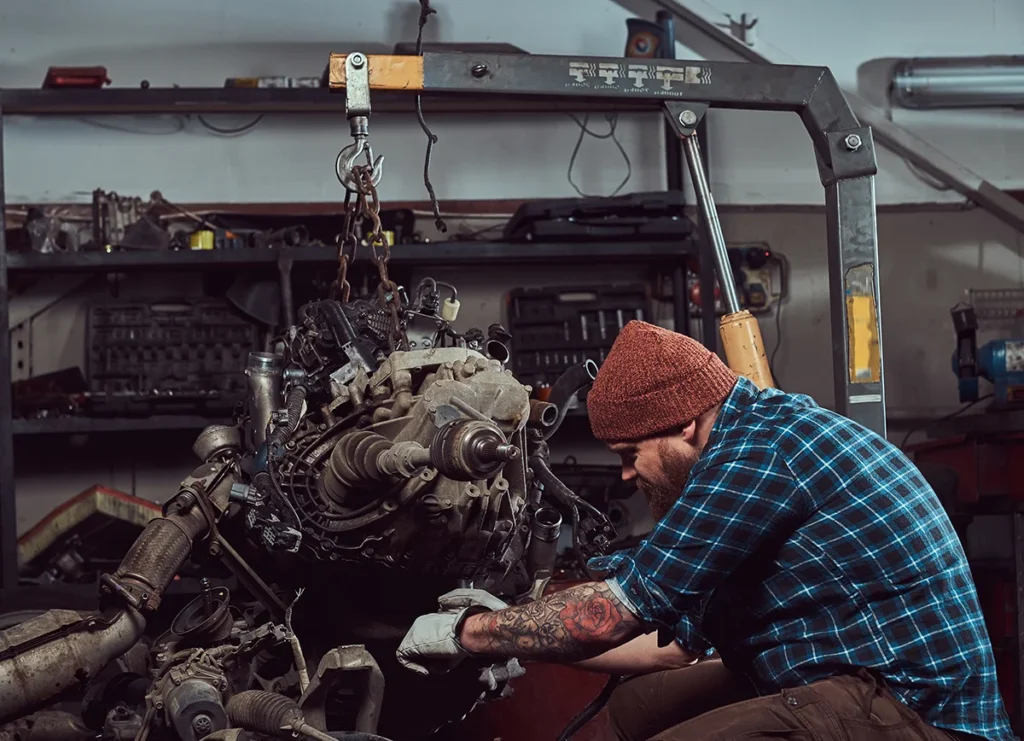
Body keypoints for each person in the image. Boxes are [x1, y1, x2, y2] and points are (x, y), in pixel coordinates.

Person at [397, 320, 1015, 741]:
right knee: (637, 707)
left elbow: (618, 614)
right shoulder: (735, 451)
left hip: (920, 715)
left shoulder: (765, 452)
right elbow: (671, 642)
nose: (626, 471)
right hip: (839, 678)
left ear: (687, 425)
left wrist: (466, 633)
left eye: (631, 450)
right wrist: (510, 628)